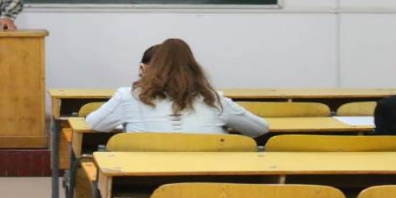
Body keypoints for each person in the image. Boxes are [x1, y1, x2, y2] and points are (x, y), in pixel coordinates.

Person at [86, 38, 268, 136]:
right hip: (207, 182)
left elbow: (96, 124)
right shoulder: (214, 100)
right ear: (193, 69)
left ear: (145, 69)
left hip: (140, 181)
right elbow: (259, 129)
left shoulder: (128, 96)